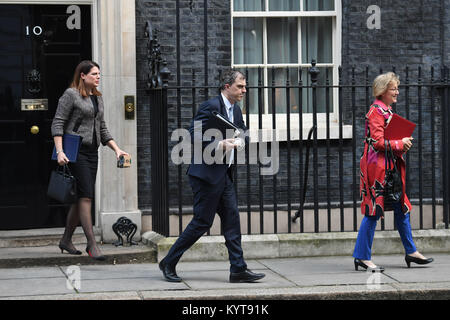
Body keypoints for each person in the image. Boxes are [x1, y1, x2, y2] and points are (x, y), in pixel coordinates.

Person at [158, 69, 265, 283]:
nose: (245, 90)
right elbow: (192, 133)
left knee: (232, 220)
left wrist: (242, 141)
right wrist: (219, 144)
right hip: (205, 176)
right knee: (202, 222)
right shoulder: (211, 107)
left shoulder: (235, 109)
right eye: (240, 86)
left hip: (223, 175)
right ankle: (168, 262)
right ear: (227, 87)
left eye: (245, 86)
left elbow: (242, 130)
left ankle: (238, 269)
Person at [353, 72, 433, 271]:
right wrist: (399, 142)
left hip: (390, 168)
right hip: (376, 169)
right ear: (383, 91)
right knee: (374, 211)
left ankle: (411, 252)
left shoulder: (386, 110)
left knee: (402, 208)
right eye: (393, 89)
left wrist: (402, 145)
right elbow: (378, 142)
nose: (397, 92)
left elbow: (387, 142)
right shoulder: (375, 112)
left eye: (397, 88)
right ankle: (362, 257)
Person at [51, 60, 128, 260]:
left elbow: (102, 128)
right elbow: (58, 123)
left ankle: (66, 240)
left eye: (99, 74)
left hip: (92, 152)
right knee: (86, 196)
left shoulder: (97, 98)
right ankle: (92, 244)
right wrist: (60, 151)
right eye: (94, 74)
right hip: (75, 151)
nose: (98, 77)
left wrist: (117, 149)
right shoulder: (71, 95)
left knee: (80, 197)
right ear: (82, 75)